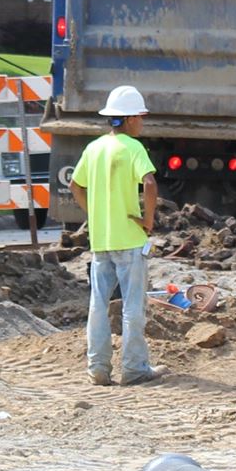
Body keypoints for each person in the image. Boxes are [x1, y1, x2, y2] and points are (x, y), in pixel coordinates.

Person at [72, 84, 161, 387]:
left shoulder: (94, 148)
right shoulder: (133, 148)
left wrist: (94, 213)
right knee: (133, 306)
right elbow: (149, 184)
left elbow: (75, 185)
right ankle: (134, 368)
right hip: (130, 240)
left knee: (98, 305)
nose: (143, 123)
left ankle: (98, 368)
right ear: (130, 118)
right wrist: (148, 220)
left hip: (101, 240)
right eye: (141, 117)